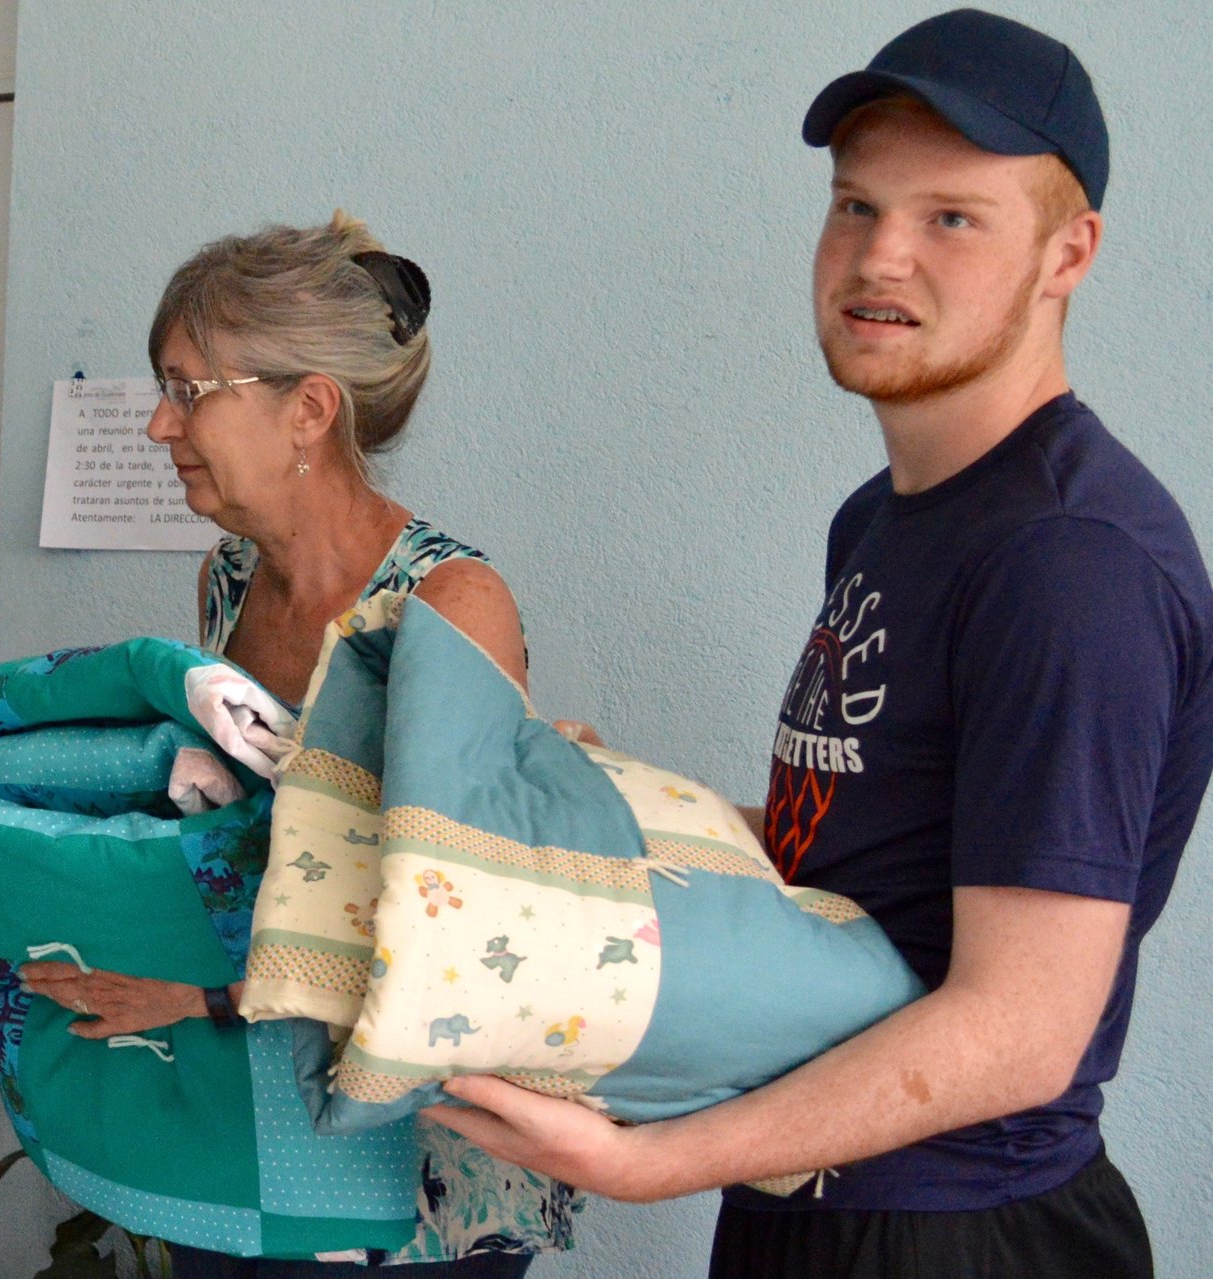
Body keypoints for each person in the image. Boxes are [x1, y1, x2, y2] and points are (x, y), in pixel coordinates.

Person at [425, 12, 1210, 1279]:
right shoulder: (884, 518)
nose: (878, 256)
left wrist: (648, 1163)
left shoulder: (1070, 561)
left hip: (962, 1229)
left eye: (950, 217)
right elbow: (853, 840)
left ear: (1069, 252)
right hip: (813, 1203)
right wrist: (601, 801)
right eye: (854, 207)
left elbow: (1021, 1028)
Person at [16, 214, 564, 1277]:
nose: (158, 429)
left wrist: (197, 993)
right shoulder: (230, 577)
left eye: (186, 391)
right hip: (259, 1120)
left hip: (413, 1167)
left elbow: (456, 923)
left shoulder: (449, 604)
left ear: (307, 409)